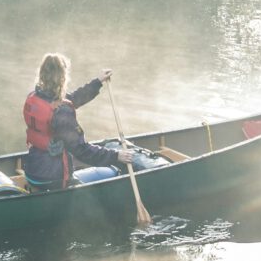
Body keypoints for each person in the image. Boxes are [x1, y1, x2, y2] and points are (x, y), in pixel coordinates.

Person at [21, 52, 162, 188]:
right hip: (53, 179)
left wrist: (98, 82)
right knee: (110, 174)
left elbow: (73, 99)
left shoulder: (36, 97)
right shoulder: (61, 111)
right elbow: (82, 151)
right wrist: (116, 156)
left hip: (32, 171)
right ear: (62, 77)